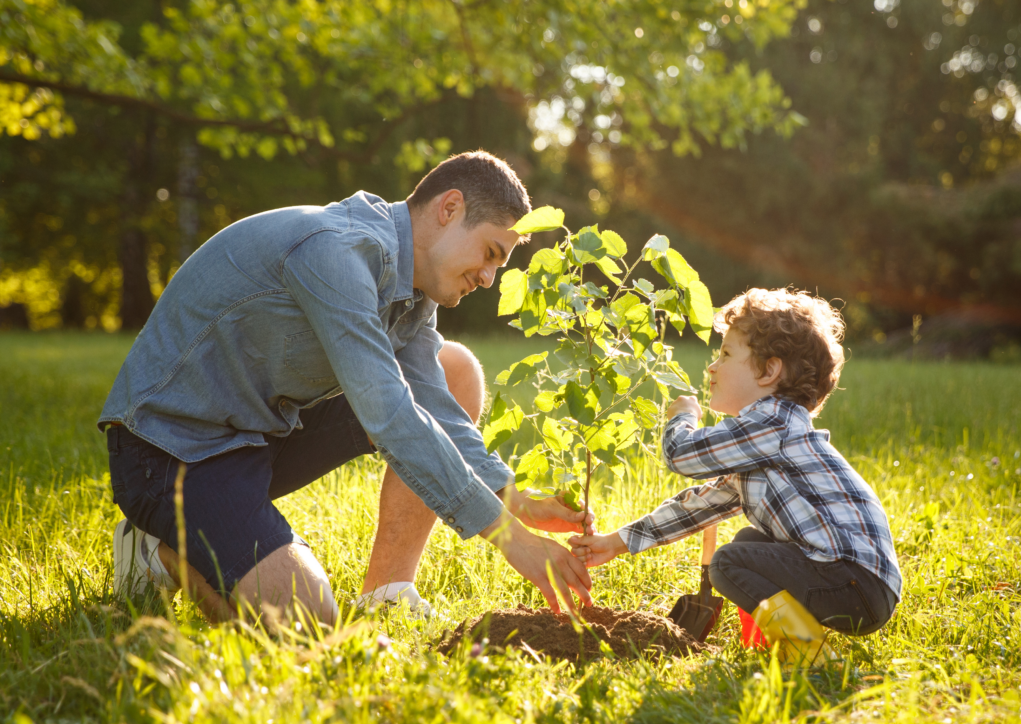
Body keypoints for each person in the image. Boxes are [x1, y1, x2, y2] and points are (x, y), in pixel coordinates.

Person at [100, 150, 593, 627]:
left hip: (257, 434)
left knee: (453, 369)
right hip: (171, 452)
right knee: (307, 621)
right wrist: (510, 538)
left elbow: (434, 404)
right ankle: (157, 551)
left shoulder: (413, 290)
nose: (488, 278)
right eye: (490, 254)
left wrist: (512, 497)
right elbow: (390, 413)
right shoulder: (336, 251)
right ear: (450, 208)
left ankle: (387, 593)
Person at [569, 288, 901, 640]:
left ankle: (805, 650)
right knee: (748, 542)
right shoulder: (766, 443)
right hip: (859, 585)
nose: (712, 366)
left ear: (769, 370)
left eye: (725, 354)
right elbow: (698, 506)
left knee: (729, 563)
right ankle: (771, 644)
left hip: (852, 581)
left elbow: (680, 454)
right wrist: (614, 543)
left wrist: (682, 417)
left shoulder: (773, 423)